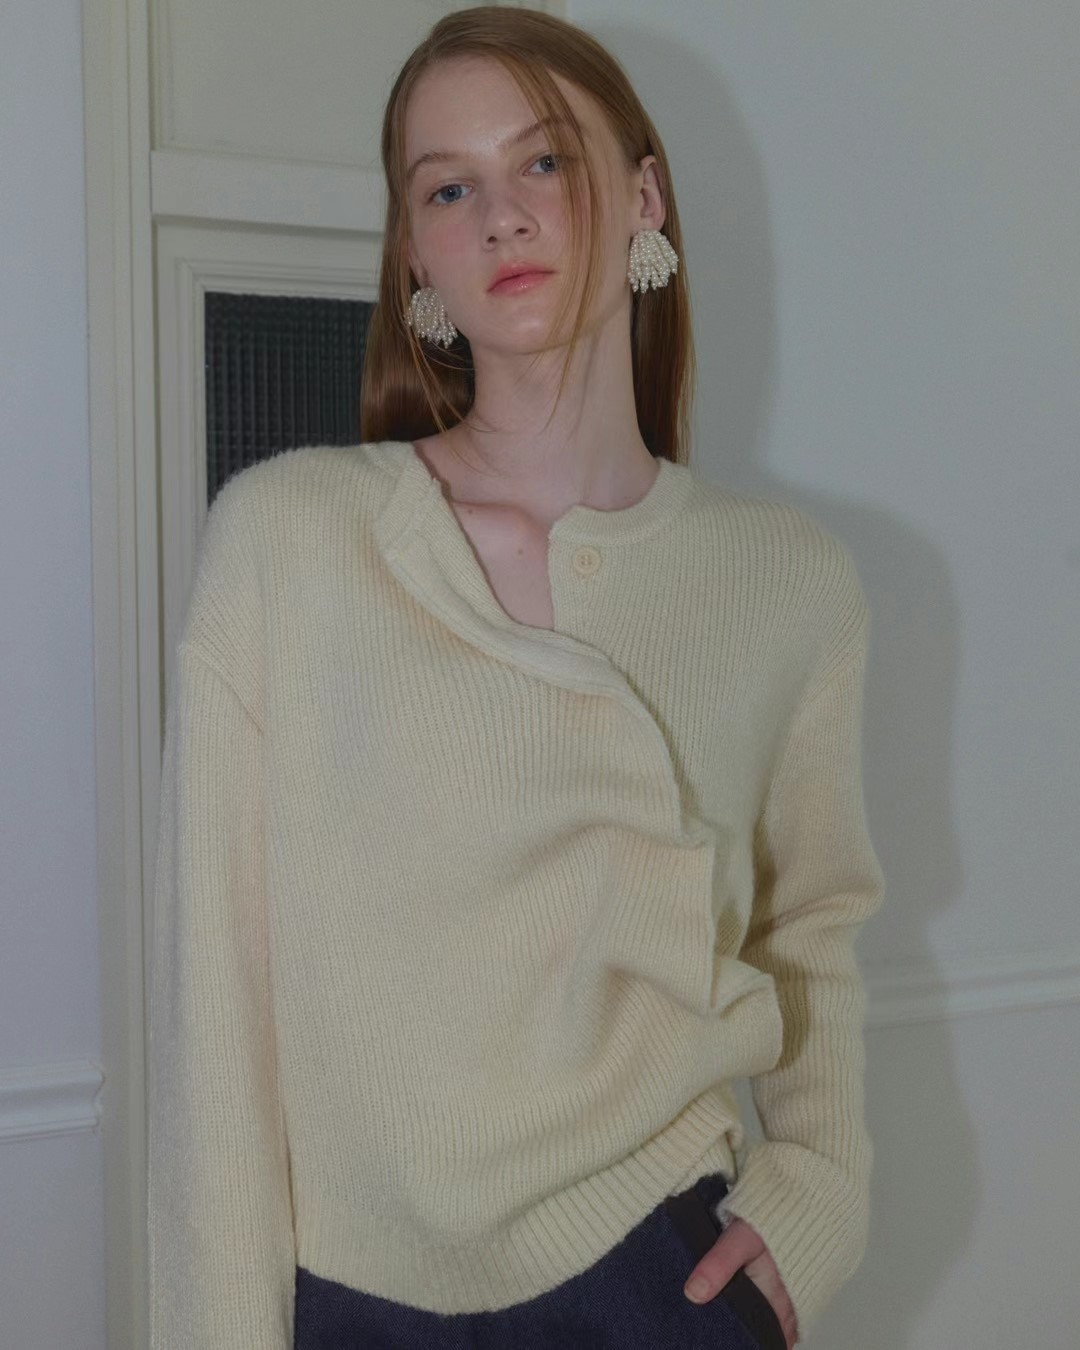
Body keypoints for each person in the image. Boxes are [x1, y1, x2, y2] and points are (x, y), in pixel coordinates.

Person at [147, 6, 886, 1348]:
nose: (501, 216)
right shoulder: (289, 542)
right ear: (415, 254)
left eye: (544, 160)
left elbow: (811, 928)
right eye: (449, 188)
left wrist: (820, 1193)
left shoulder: (789, 582)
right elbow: (218, 1008)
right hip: (353, 1299)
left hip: (660, 1276)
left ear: (645, 196)